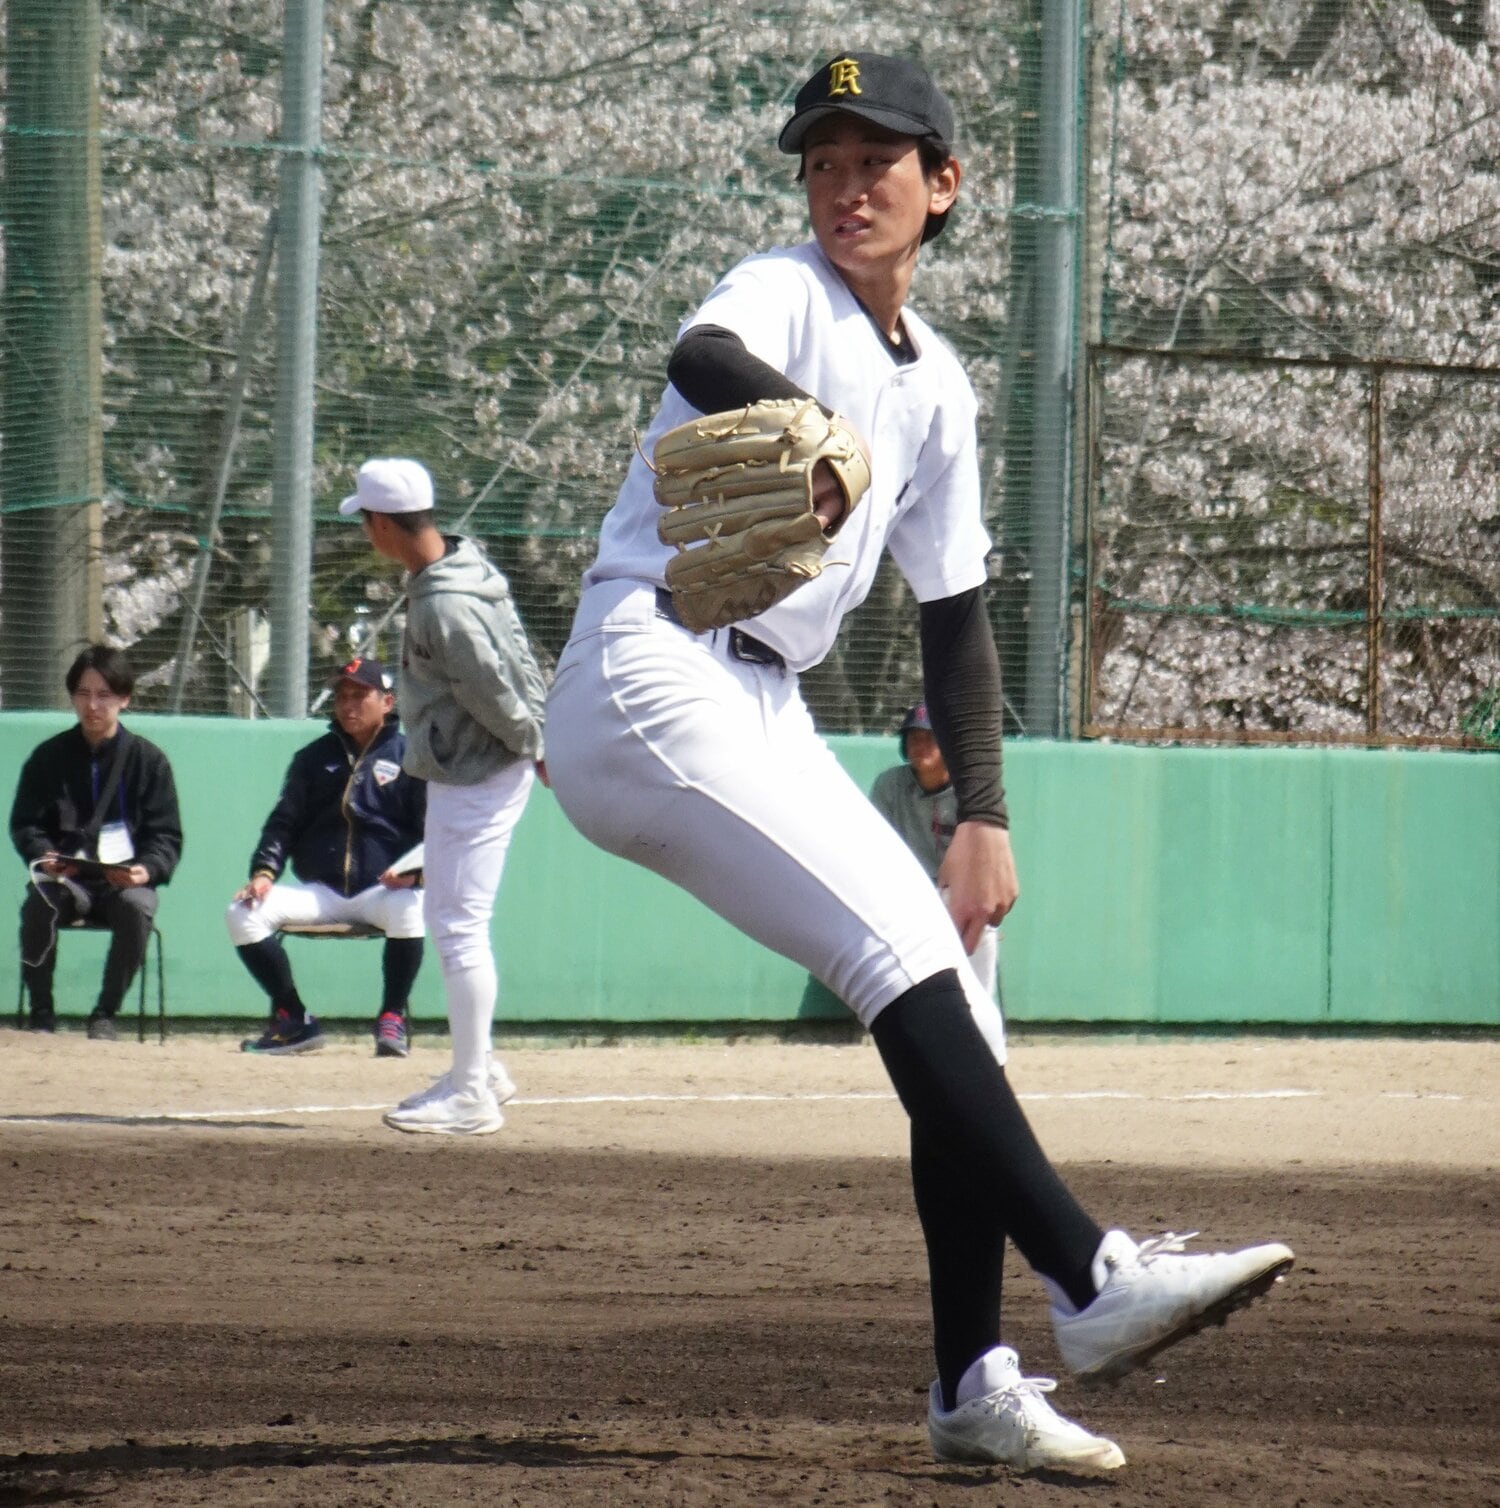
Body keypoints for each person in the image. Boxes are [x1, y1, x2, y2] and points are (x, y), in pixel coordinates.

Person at [543, 52, 1294, 1473]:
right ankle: (1090, 1275)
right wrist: (808, 428)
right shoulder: (783, 292)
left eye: (876, 162)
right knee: (897, 964)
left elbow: (957, 623)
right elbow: (698, 359)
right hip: (650, 668)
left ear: (943, 186)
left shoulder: (939, 388)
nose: (843, 188)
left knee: (957, 1013)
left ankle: (973, 1389)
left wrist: (982, 816)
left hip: (764, 705)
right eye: (823, 163)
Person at [341, 456, 546, 1135]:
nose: (363, 533)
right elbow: (514, 654)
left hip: (477, 771)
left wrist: (536, 742)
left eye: (364, 520)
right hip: (483, 764)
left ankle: (471, 1093)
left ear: (380, 523)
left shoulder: (443, 601)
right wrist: (537, 736)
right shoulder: (465, 565)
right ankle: (479, 1069)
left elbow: (489, 684)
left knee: (458, 928)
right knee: (458, 923)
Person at [230, 655, 428, 1057]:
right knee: (242, 913)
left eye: (361, 695)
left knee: (410, 906)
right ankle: (295, 1019)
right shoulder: (312, 758)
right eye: (342, 696)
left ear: (387, 702)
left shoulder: (412, 758)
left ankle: (392, 1018)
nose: (349, 705)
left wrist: (416, 874)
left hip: (383, 891)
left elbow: (435, 833)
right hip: (322, 891)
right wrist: (264, 872)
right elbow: (282, 824)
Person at [9, 644, 182, 1040]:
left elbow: (166, 835)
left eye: (104, 695)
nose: (93, 705)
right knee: (40, 905)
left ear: (125, 698)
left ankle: (105, 1014)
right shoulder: (47, 758)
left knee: (137, 909)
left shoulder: (148, 762)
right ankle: (41, 1015)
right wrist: (43, 857)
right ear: (72, 697)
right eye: (84, 693)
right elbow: (26, 824)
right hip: (66, 879)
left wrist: (147, 870)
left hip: (123, 884)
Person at [870, 702, 998, 1004]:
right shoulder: (890, 785)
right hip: (906, 891)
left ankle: (981, 1016)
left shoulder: (969, 791)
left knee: (982, 925)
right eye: (913, 737)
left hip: (954, 892)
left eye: (930, 737)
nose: (920, 745)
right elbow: (876, 852)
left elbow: (983, 861)